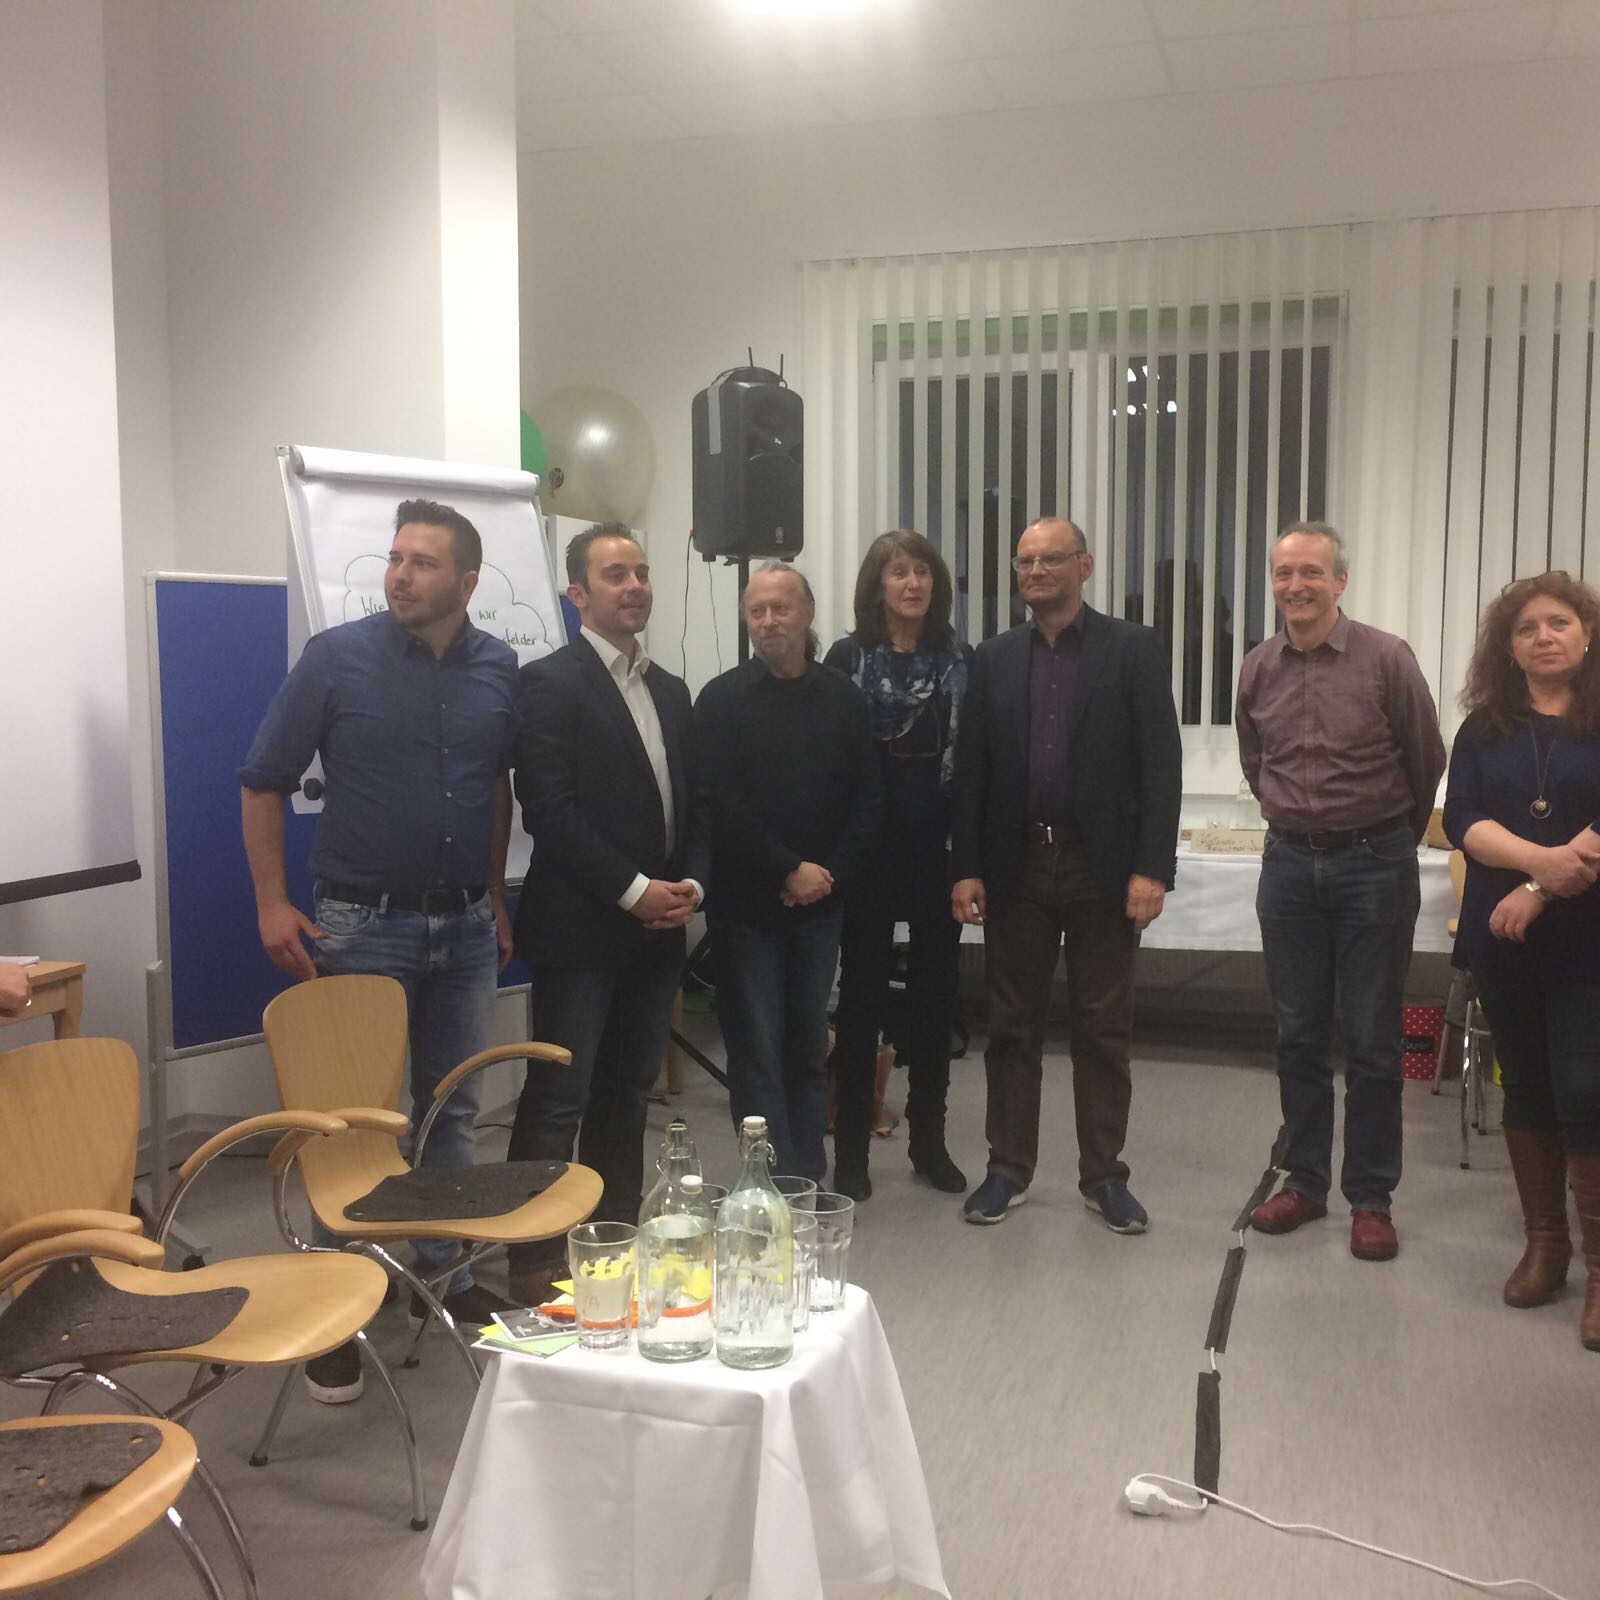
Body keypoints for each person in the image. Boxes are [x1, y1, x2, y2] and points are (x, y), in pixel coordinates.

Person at [241, 497, 518, 1402]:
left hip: (465, 924)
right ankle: (339, 1302)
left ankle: (445, 1272)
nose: (400, 575)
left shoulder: (499, 666)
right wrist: (272, 902)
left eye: (422, 563)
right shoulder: (336, 659)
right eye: (396, 558)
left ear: (466, 583)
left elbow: (495, 788)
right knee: (350, 1125)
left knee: (454, 1108)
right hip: (364, 922)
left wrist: (494, 893)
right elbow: (263, 781)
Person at [950, 516, 1182, 1233]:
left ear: (1084, 566)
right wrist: (967, 867)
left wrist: (1152, 868)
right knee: (1011, 1026)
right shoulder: (993, 657)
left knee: (1103, 1028)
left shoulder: (1131, 649)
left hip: (1100, 867)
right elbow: (972, 771)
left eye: (1051, 559)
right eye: (1025, 561)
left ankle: (1104, 1177)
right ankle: (1007, 1169)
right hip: (1017, 863)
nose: (1036, 571)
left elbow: (1160, 765)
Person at [503, 524, 709, 1305]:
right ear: (577, 594)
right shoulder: (548, 684)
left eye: (641, 572)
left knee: (629, 1093)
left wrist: (692, 886)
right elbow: (549, 811)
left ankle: (614, 1235)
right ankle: (532, 1256)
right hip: (582, 932)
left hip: (660, 933)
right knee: (559, 1098)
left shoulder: (672, 690)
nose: (635, 585)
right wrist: (633, 889)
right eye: (615, 574)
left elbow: (696, 806)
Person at [1238, 521, 1446, 1263]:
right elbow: (1256, 762)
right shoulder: (1257, 667)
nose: (1296, 586)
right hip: (1289, 866)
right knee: (1297, 1034)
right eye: (1283, 573)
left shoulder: (1387, 658)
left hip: (1374, 864)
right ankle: (1305, 1182)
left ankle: (1370, 1198)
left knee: (1372, 1041)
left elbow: (1425, 757)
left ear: (1340, 581)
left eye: (1311, 573)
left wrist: (1382, 837)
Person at [1443, 571, 1600, 1350]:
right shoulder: (1484, 728)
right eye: (1527, 628)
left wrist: (1540, 886)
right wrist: (1542, 863)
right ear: (1507, 647)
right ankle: (1546, 1245)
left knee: (1586, 1087)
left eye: (1559, 623)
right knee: (1526, 1085)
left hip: (1588, 937)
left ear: (1587, 634)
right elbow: (1462, 819)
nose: (1544, 637)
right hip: (1503, 935)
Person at [695, 562, 881, 1180]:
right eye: (757, 610)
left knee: (806, 1049)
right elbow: (721, 804)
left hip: (821, 909)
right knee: (756, 1056)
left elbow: (867, 801)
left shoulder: (845, 700)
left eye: (781, 607)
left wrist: (828, 875)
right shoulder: (720, 700)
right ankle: (766, 1185)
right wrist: (788, 868)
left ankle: (806, 1181)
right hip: (746, 912)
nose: (769, 620)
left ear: (808, 613)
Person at [824, 530, 971, 1201]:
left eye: (922, 572)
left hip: (936, 857)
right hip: (866, 858)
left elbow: (973, 768)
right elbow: (830, 764)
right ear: (876, 587)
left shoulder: (960, 661)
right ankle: (853, 1152)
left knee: (937, 1005)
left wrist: (969, 860)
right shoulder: (847, 660)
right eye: (898, 573)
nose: (912, 584)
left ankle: (928, 1143)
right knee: (860, 1007)